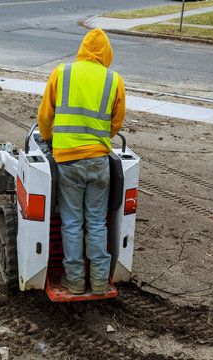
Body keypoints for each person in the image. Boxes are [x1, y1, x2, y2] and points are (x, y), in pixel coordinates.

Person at [37, 28, 126, 295]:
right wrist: (100, 139)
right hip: (99, 161)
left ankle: (75, 280)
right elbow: (116, 123)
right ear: (106, 54)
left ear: (83, 49)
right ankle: (99, 281)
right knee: (97, 222)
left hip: (67, 161)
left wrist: (50, 138)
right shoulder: (114, 80)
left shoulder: (61, 73)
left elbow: (45, 117)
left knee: (72, 223)